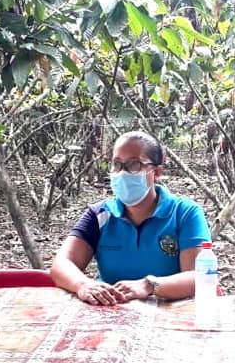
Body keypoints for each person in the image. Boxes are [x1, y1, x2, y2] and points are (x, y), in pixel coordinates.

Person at [51, 130, 211, 304]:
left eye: (134, 165)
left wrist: (150, 285)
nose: (122, 173)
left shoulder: (184, 213)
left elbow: (199, 276)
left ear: (156, 172)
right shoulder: (100, 215)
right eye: (117, 164)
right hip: (109, 310)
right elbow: (61, 264)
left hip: (169, 312)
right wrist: (83, 285)